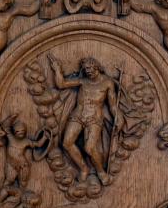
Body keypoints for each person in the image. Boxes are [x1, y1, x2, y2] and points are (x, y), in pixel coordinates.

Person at [49, 55, 118, 185]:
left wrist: (117, 118)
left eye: (91, 68)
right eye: (86, 69)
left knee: (89, 148)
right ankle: (83, 168)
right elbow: (61, 84)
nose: (88, 71)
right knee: (67, 143)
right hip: (78, 115)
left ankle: (100, 172)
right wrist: (57, 69)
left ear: (97, 67)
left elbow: (113, 105)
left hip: (94, 118)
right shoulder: (82, 81)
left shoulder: (107, 83)